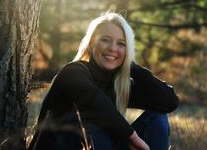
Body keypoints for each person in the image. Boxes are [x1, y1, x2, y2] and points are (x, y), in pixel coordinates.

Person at [28, 12, 179, 150]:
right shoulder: (73, 72)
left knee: (158, 118)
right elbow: (95, 103)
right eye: (105, 40)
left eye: (121, 44)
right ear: (92, 43)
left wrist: (131, 66)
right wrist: (133, 137)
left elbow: (169, 102)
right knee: (95, 123)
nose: (113, 48)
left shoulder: (118, 85)